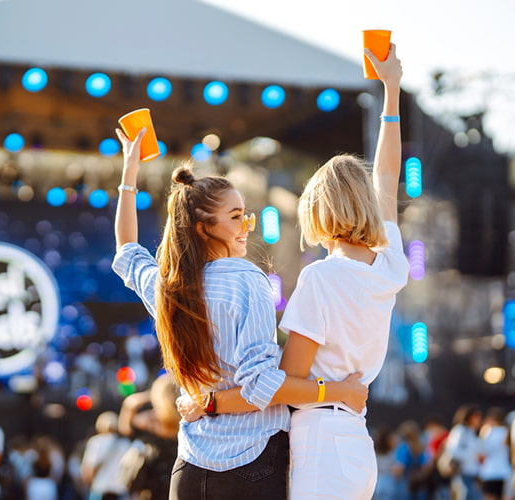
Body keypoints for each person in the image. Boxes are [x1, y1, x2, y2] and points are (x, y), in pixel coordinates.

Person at [175, 43, 406, 500]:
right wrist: (391, 93)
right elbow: (386, 179)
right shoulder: (389, 264)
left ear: (318, 211)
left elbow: (283, 385)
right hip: (357, 444)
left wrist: (209, 402)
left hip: (320, 443)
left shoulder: (323, 278)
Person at [112, 95, 368, 497]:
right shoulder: (245, 279)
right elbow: (260, 387)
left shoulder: (169, 286)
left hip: (190, 468)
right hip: (251, 463)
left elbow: (126, 250)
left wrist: (129, 172)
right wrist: (337, 392)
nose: (246, 225)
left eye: (245, 214)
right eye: (236, 217)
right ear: (202, 226)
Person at [117, 373, 181, 499]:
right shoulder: (186, 417)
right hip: (175, 479)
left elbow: (130, 405)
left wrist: (152, 394)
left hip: (151, 483)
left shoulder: (151, 420)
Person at [81, 411, 131, 500]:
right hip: (120, 490)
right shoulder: (125, 443)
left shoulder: (96, 442)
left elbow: (88, 469)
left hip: (100, 489)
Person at [445, 404, 483, 500]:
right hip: (462, 474)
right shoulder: (460, 430)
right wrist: (472, 455)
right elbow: (453, 450)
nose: (478, 420)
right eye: (476, 417)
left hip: (472, 474)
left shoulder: (472, 432)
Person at [478, 407, 511, 500]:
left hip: (489, 472)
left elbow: (481, 451)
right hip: (504, 471)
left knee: (490, 497)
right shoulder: (506, 431)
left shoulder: (487, 431)